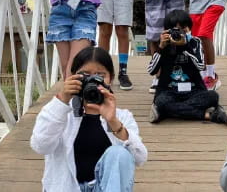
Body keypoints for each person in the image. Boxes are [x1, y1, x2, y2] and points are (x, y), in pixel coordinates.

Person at [31, 46, 147, 192]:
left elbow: (140, 158)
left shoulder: (122, 116)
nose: (92, 81)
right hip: (67, 188)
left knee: (119, 153)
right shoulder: (61, 113)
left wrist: (114, 122)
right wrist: (61, 101)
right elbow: (40, 146)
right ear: (72, 77)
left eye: (100, 75)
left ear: (110, 78)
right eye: (84, 75)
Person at [147, 9, 227, 127]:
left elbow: (200, 65)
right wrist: (161, 48)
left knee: (213, 96)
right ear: (167, 31)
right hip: (170, 90)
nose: (179, 33)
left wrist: (186, 46)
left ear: (189, 29)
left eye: (183, 29)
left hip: (193, 91)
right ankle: (210, 115)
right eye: (175, 30)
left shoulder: (195, 42)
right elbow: (152, 71)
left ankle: (166, 112)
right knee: (161, 101)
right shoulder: (164, 44)